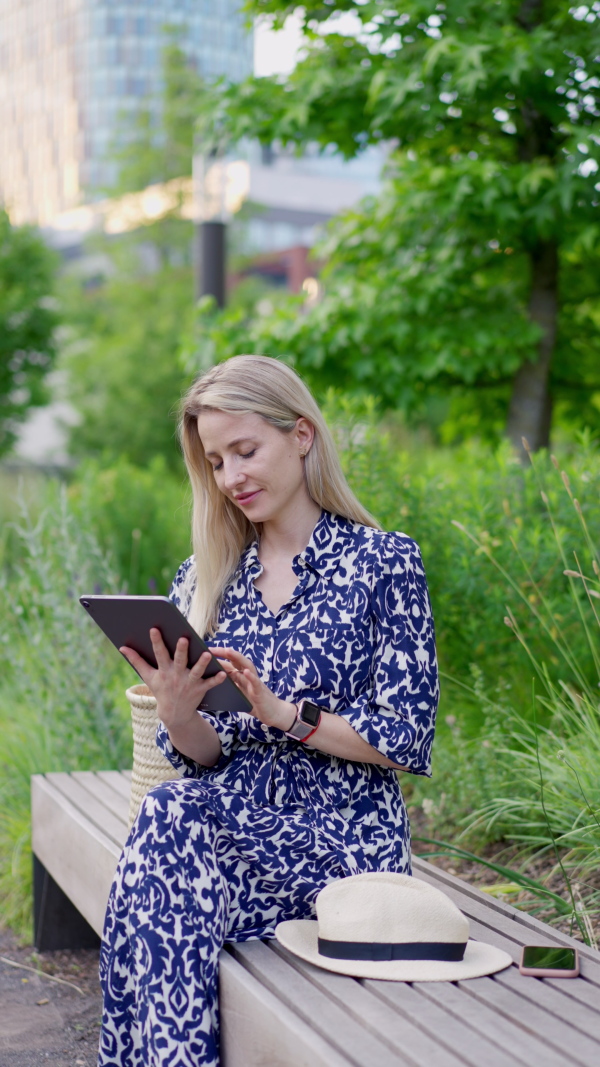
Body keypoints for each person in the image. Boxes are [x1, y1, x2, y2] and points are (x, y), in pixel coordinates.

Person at [98, 355, 439, 1067]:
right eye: (217, 462)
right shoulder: (206, 577)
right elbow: (204, 754)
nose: (231, 477)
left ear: (303, 435)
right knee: (172, 828)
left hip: (345, 845)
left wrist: (287, 713)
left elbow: (407, 736)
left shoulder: (383, 563)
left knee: (165, 842)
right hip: (235, 840)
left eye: (245, 451)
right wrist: (178, 707)